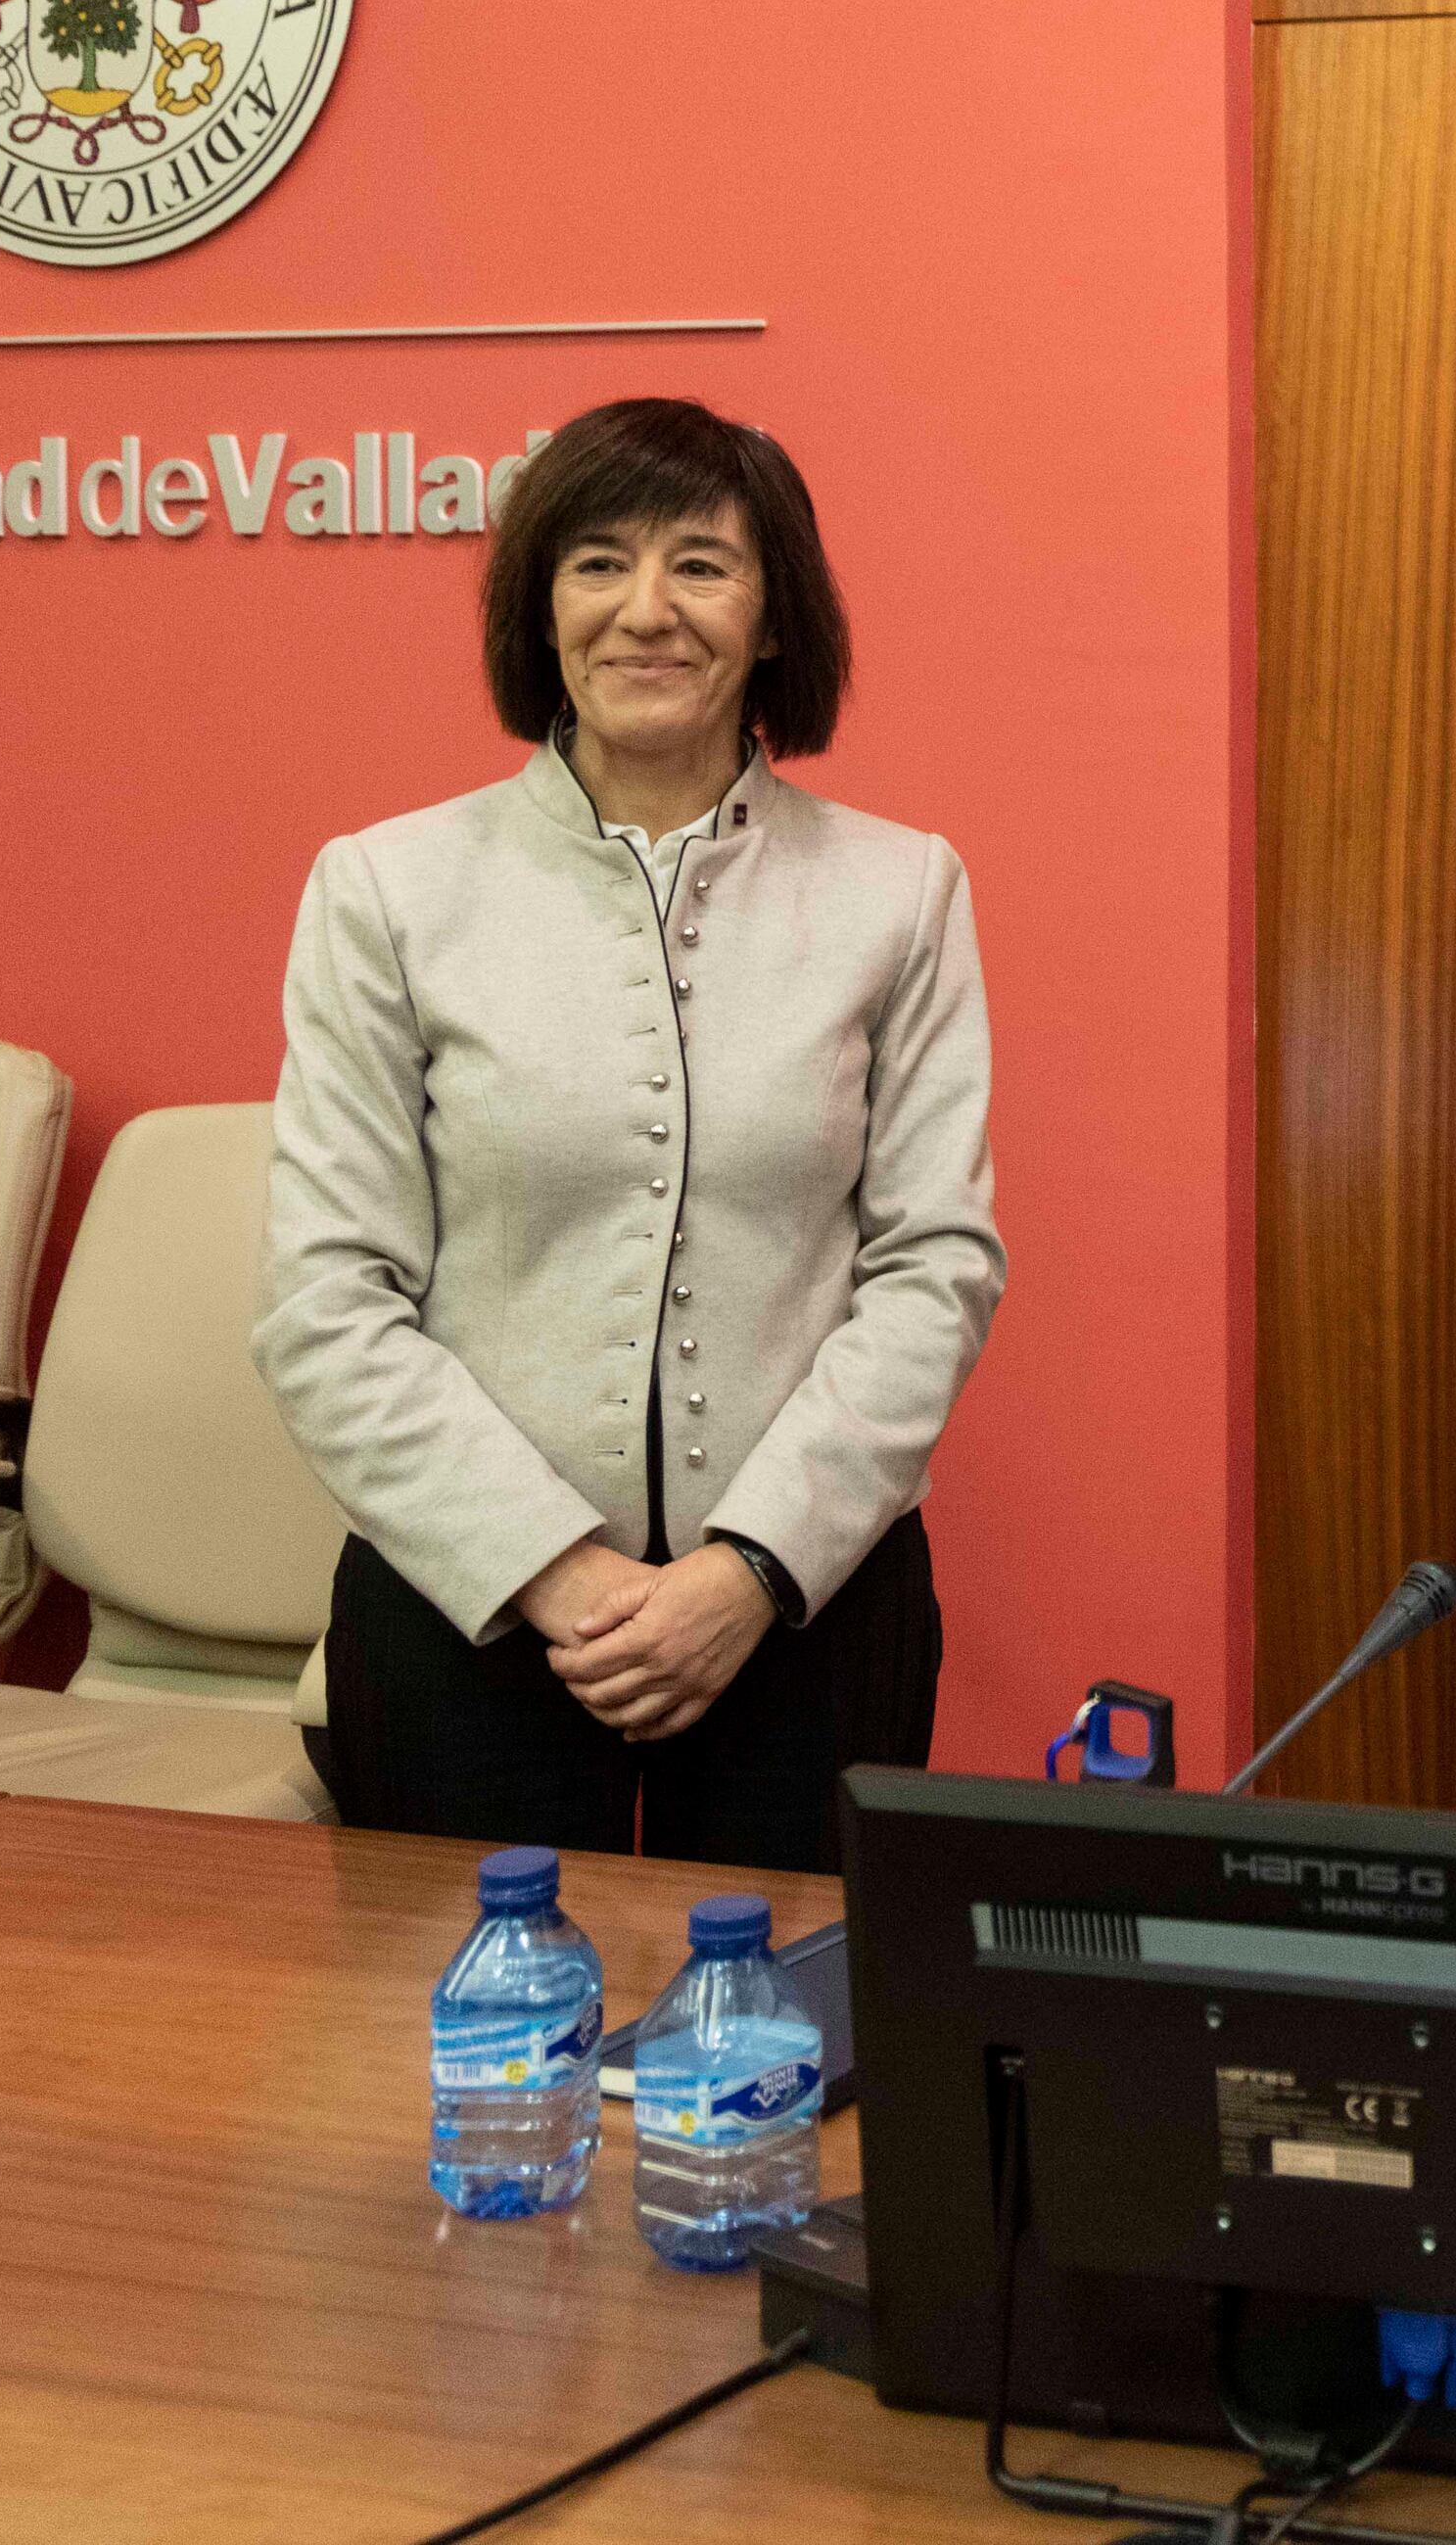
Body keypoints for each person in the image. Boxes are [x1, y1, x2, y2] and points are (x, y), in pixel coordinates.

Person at [258, 398, 1003, 1871]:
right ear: (543, 609)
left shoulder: (898, 891)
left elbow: (937, 1268)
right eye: (597, 564)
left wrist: (748, 1571)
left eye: (702, 568)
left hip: (805, 1613)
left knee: (796, 2051)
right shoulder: (390, 891)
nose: (645, 612)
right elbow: (325, 1303)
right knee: (461, 2070)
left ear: (774, 614)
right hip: (468, 1610)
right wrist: (552, 1572)